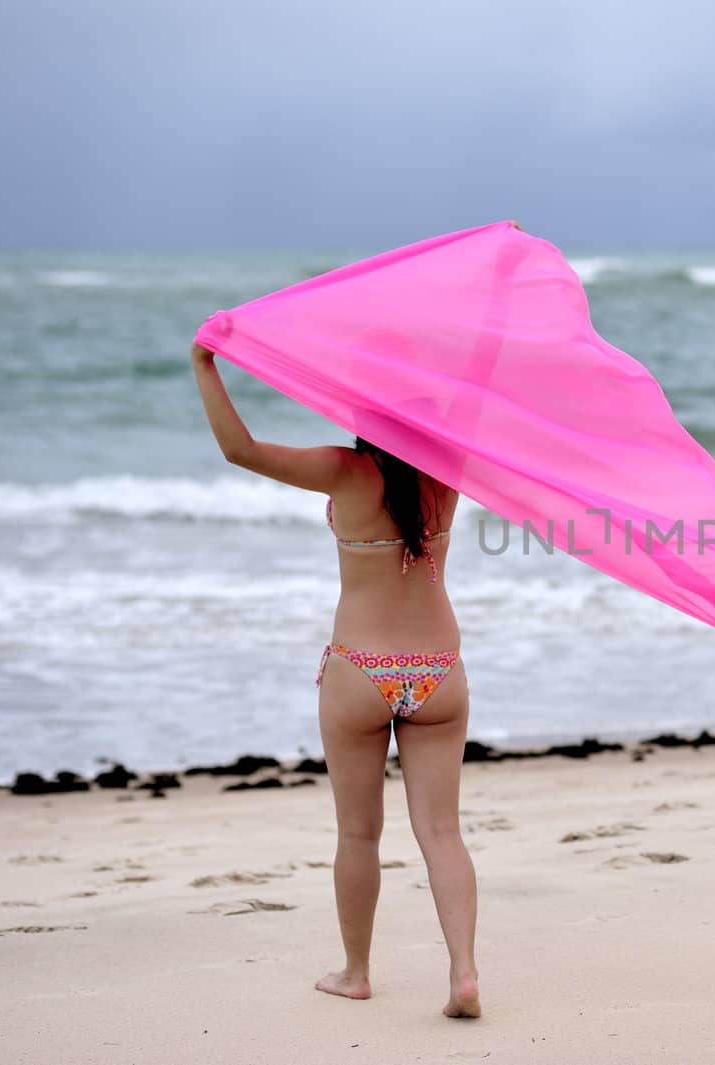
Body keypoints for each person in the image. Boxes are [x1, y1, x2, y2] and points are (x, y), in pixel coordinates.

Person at [190, 340, 480, 1019]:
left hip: (360, 671)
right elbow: (477, 379)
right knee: (442, 831)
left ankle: (356, 972)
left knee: (358, 833)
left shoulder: (347, 472)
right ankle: (463, 972)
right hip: (439, 672)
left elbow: (242, 450)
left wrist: (206, 365)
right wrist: (498, 288)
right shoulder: (451, 467)